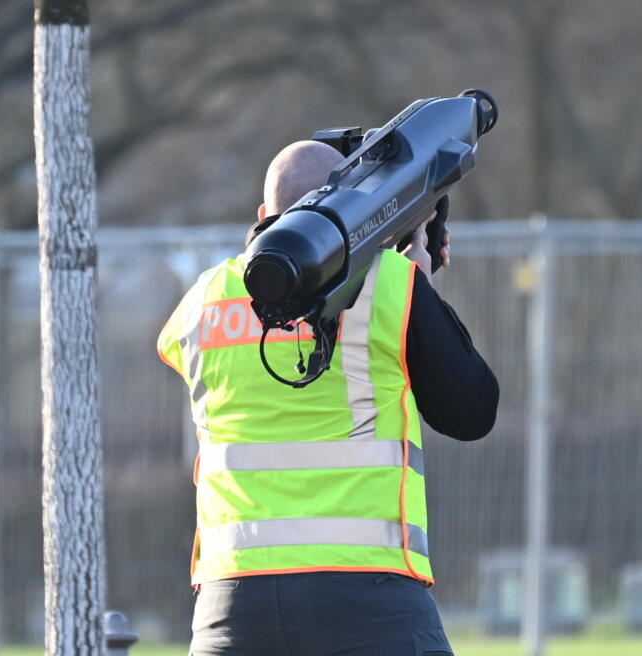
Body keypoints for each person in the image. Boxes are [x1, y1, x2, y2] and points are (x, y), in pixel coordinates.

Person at [156, 140, 499, 655]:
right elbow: (472, 411)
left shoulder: (201, 302)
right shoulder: (389, 284)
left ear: (262, 216)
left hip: (232, 605)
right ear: (346, 200)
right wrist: (417, 286)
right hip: (368, 598)